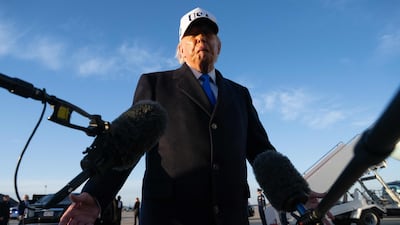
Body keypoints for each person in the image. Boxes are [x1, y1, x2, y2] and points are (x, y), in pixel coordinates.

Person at [59, 7, 327, 225]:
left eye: (208, 34)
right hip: (170, 216)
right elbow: (128, 144)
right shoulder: (155, 84)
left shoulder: (239, 94)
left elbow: (261, 151)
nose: (201, 38)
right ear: (181, 49)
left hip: (231, 216)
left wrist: (297, 196)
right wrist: (96, 195)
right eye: (193, 35)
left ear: (218, 46)